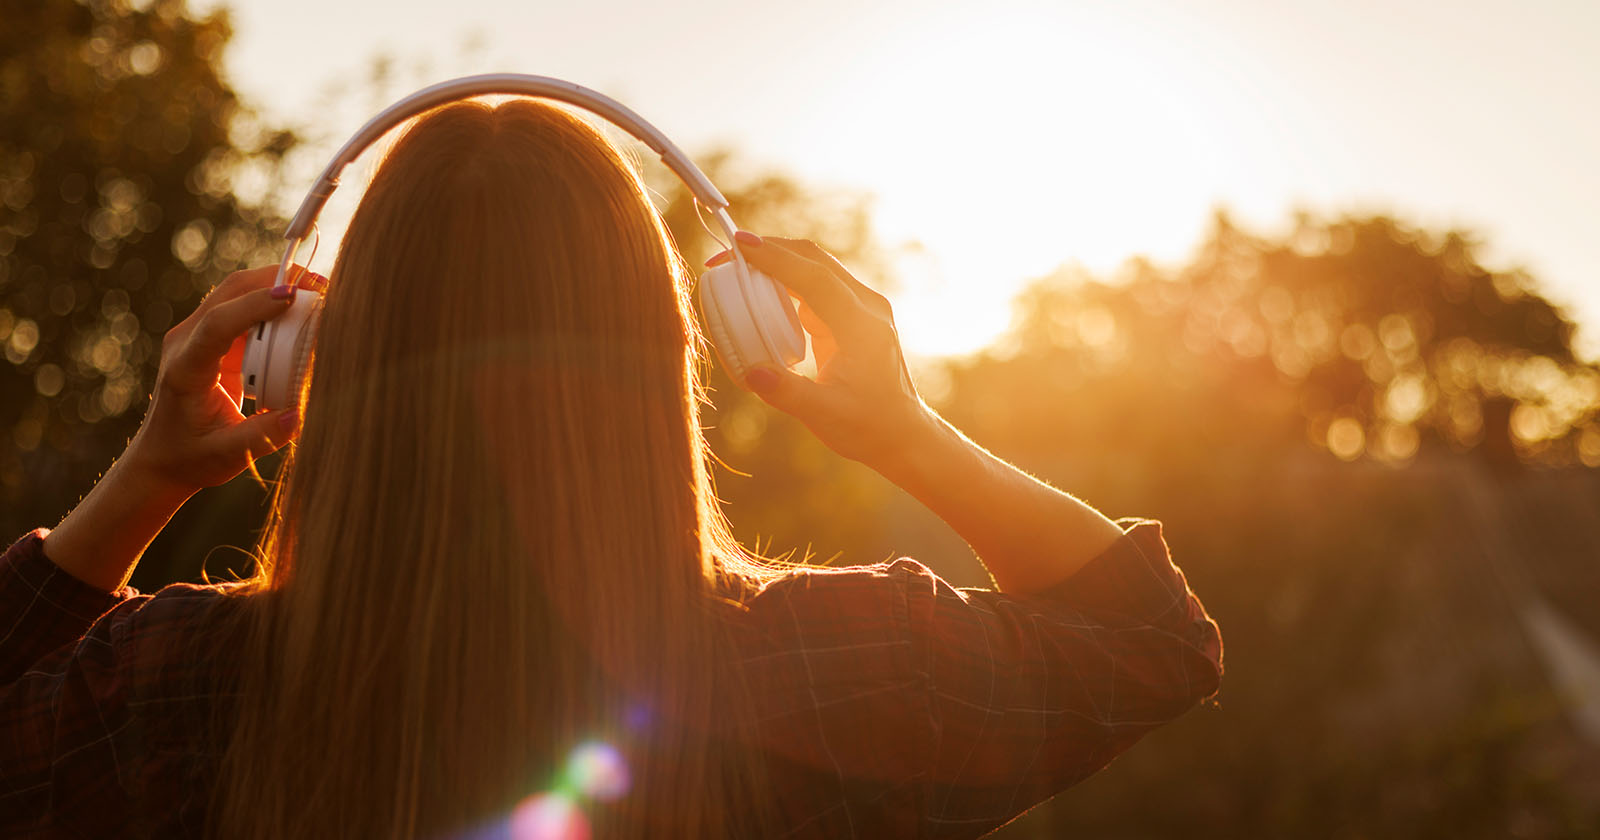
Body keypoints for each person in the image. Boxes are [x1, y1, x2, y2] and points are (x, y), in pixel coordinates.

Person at [0, 99, 1222, 839]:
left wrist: (149, 479)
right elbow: (1144, 640)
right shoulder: (820, 668)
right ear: (666, 352)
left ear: (318, 360)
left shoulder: (186, 689)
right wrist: (899, 429)